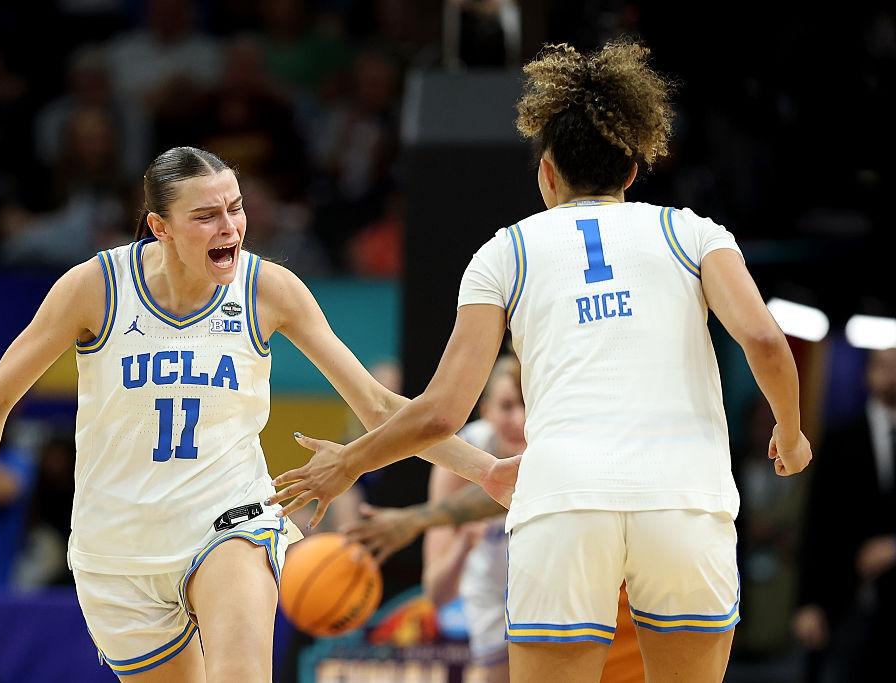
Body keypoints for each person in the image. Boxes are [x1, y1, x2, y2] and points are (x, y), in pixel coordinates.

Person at [270, 41, 812, 683]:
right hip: (683, 499)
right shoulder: (691, 232)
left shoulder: (506, 252)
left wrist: (351, 461)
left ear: (547, 172)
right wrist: (789, 431)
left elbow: (442, 410)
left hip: (561, 502)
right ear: (633, 171)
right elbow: (767, 342)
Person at [0, 146, 515, 682]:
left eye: (235, 208)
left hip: (231, 521)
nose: (230, 227)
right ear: (159, 227)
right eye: (206, 216)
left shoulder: (268, 290)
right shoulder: (96, 288)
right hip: (118, 547)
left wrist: (486, 471)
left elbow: (379, 405)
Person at [345, 356, 644, 683]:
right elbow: (437, 593)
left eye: (525, 404)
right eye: (506, 406)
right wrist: (460, 545)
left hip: (565, 581)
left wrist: (414, 520)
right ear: (486, 411)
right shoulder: (462, 454)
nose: (518, 418)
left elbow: (523, 484)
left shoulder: (561, 439)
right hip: (493, 593)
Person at [794, 347, 896, 681]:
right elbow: (817, 522)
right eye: (883, 364)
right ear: (868, 374)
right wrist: (808, 600)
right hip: (844, 596)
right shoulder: (840, 438)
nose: (891, 373)